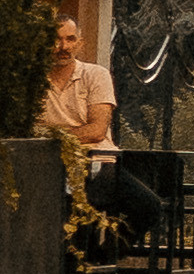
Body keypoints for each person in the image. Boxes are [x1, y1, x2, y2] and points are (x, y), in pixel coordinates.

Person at [39, 15, 162, 242]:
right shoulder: (33, 79)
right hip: (49, 166)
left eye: (70, 39)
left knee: (149, 206)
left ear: (80, 43)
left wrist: (55, 136)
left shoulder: (95, 74)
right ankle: (81, 258)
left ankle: (106, 254)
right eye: (56, 39)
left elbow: (97, 130)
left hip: (99, 162)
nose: (63, 47)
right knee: (69, 216)